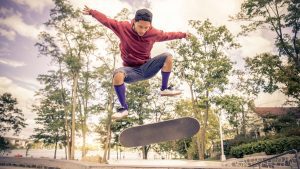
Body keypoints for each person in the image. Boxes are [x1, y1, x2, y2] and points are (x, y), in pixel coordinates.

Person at [82, 6, 190, 120]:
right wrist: (92, 12)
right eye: (140, 27)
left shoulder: (154, 33)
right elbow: (107, 21)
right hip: (131, 71)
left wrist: (184, 35)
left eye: (146, 28)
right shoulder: (123, 27)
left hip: (147, 67)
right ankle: (124, 108)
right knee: (118, 74)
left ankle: (164, 89)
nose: (143, 31)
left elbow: (169, 35)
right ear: (134, 22)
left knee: (168, 57)